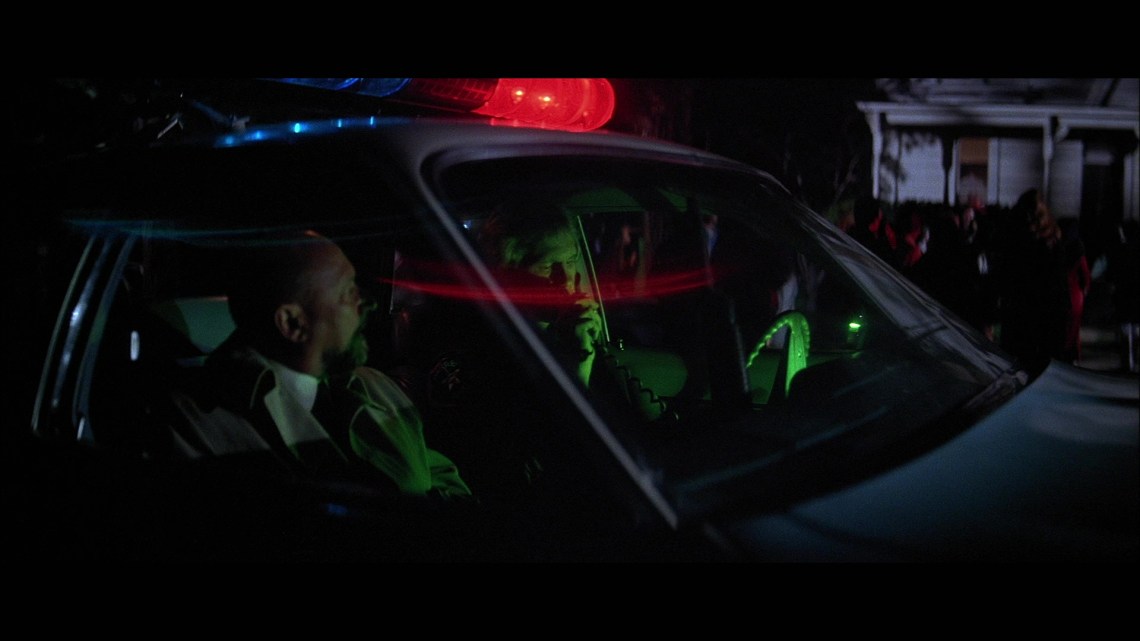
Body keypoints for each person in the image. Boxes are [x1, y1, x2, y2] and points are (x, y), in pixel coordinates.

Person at [159, 230, 472, 499]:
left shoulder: (378, 387)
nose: (368, 303)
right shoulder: (192, 424)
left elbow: (445, 481)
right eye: (347, 292)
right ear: (292, 323)